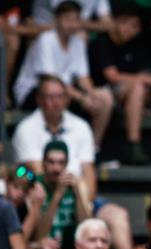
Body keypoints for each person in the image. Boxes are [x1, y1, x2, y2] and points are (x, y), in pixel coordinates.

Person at [12, 75, 133, 249]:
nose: (55, 102)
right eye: (49, 97)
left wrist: (84, 198)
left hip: (77, 192)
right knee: (31, 193)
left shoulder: (81, 127)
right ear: (39, 99)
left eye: (60, 96)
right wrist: (33, 178)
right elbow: (22, 171)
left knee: (118, 215)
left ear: (67, 99)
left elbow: (89, 173)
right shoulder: (26, 128)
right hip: (41, 191)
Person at [13, 1, 114, 150]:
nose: (72, 24)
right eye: (67, 19)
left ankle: (92, 149)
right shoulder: (46, 39)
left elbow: (83, 77)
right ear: (57, 20)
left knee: (105, 97)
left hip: (65, 92)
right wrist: (81, 98)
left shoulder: (78, 42)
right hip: (33, 92)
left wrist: (92, 95)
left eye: (75, 20)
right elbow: (50, 80)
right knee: (54, 92)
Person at [89, 5, 151, 165]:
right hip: (105, 94)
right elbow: (112, 76)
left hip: (132, 95)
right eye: (126, 24)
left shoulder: (135, 45)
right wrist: (148, 80)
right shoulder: (101, 42)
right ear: (116, 23)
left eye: (135, 26)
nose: (130, 29)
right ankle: (133, 145)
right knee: (139, 87)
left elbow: (141, 74)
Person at [32, 0, 112, 34]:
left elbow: (108, 25)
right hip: (44, 28)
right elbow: (63, 21)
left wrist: (80, 24)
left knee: (80, 35)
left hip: (77, 31)